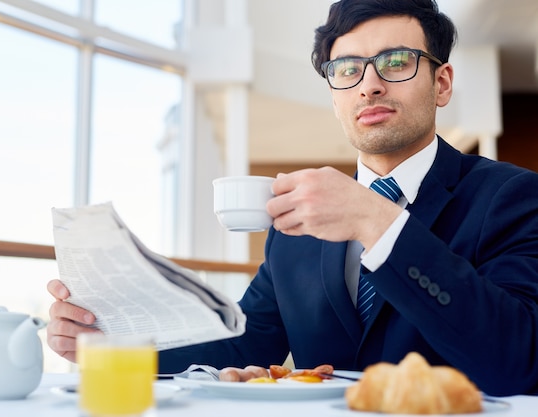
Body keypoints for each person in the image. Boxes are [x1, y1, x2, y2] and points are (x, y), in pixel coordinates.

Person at [47, 0, 538, 396]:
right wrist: (113, 344)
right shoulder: (296, 229)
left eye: (396, 62)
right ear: (335, 96)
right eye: (347, 69)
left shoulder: (511, 197)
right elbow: (244, 349)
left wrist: (376, 220)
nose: (369, 84)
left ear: (442, 83)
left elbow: (518, 360)